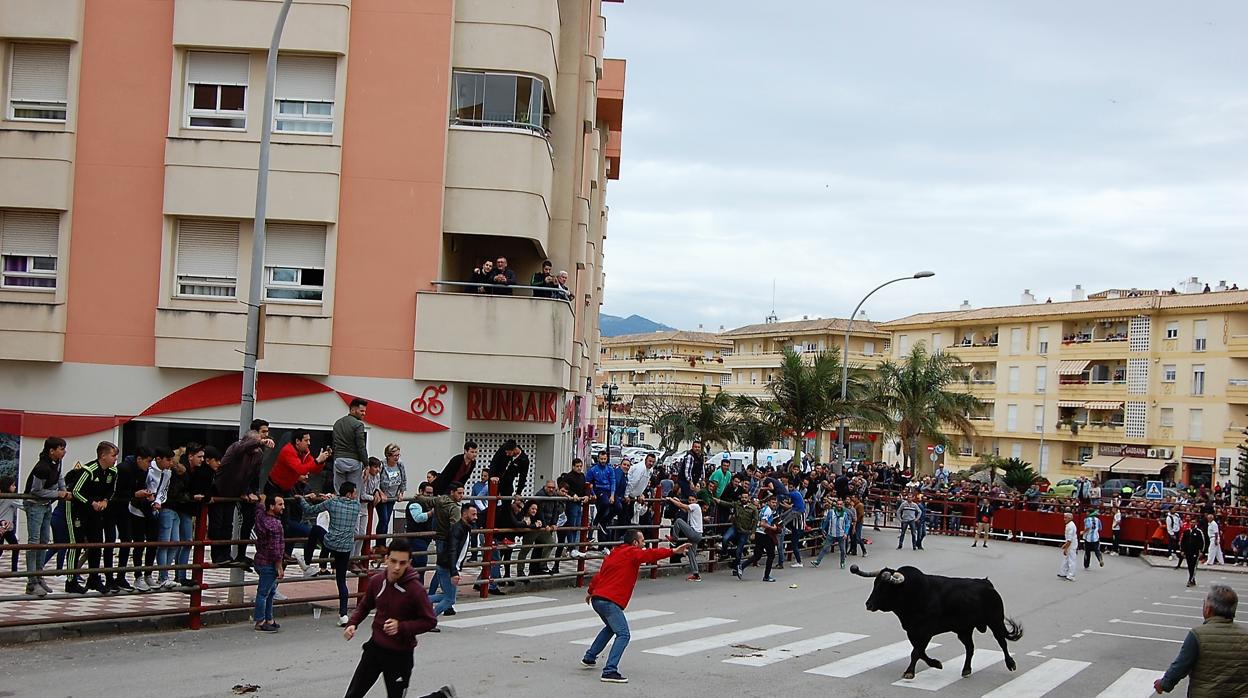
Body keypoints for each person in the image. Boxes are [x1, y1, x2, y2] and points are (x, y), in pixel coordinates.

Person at [343, 538, 454, 698]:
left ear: (409, 562)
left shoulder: (415, 590)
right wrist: (353, 624)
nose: (396, 567)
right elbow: (366, 605)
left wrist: (401, 627)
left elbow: (430, 621)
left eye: (402, 563)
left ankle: (441, 696)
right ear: (386, 559)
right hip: (374, 649)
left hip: (400, 655)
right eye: (393, 561)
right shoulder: (377, 581)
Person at [580, 529, 689, 684]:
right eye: (642, 541)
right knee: (623, 634)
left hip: (598, 599)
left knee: (611, 628)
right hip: (610, 600)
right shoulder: (632, 552)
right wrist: (673, 551)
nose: (644, 544)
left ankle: (590, 657)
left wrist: (591, 591)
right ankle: (610, 670)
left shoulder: (614, 553)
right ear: (635, 542)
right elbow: (650, 554)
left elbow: (600, 575)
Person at [1153, 584, 1248, 696]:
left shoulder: (1197, 635)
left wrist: (1164, 684)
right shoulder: (1245, 635)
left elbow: (1181, 666)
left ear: (1208, 610)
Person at [300, 482, 363, 625]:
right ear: (349, 494)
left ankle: (307, 561)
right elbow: (344, 501)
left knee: (316, 529)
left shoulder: (332, 503)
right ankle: (343, 615)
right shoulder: (356, 506)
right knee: (341, 580)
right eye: (354, 492)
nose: (355, 495)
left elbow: (310, 510)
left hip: (331, 542)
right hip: (346, 547)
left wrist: (301, 499)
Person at [216, 427, 274, 568]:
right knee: (218, 524)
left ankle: (230, 555)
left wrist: (250, 491)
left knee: (228, 524)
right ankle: (218, 555)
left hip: (238, 490)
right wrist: (259, 442)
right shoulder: (237, 448)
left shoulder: (257, 454)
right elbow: (245, 447)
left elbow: (253, 475)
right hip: (220, 488)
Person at [23, 436, 70, 597]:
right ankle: (31, 581)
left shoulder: (57, 463)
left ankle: (39, 575)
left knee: (44, 541)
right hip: (34, 504)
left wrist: (64, 490)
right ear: (52, 451)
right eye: (61, 449)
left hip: (46, 504)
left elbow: (60, 476)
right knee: (34, 542)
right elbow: (36, 490)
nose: (64, 452)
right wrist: (58, 493)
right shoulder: (41, 467)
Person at [429, 503, 476, 619]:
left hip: (448, 566)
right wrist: (454, 571)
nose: (476, 517)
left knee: (448, 597)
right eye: (473, 514)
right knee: (449, 599)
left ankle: (418, 600)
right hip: (447, 567)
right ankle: (430, 619)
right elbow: (452, 550)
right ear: (464, 514)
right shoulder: (458, 529)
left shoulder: (465, 527)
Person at [252, 495, 285, 632]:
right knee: (264, 593)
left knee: (270, 591)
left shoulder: (261, 518)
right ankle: (260, 620)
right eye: (280, 504)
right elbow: (276, 549)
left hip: (260, 558)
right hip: (269, 562)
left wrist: (261, 501)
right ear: (272, 506)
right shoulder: (275, 525)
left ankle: (268, 618)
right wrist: (279, 566)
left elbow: (259, 509)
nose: (283, 507)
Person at [333, 399, 370, 493]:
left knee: (339, 492)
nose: (364, 413)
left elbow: (334, 443)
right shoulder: (358, 425)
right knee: (354, 492)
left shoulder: (337, 423)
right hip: (354, 461)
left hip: (339, 460)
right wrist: (366, 464)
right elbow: (361, 446)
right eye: (362, 411)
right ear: (353, 410)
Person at [665, 494, 704, 581]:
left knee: (678, 521)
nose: (691, 502)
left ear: (696, 501)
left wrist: (671, 499)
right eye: (689, 500)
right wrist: (677, 500)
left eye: (693, 500)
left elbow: (682, 506)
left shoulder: (696, 506)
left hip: (694, 533)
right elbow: (683, 507)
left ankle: (674, 539)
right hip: (697, 535)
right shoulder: (692, 508)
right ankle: (696, 574)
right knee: (691, 553)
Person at [376, 444, 407, 551]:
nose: (397, 458)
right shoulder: (382, 465)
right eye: (394, 455)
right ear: (388, 456)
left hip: (393, 495)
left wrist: (401, 492)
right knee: (383, 519)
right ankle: (380, 544)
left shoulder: (400, 465)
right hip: (383, 495)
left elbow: (403, 479)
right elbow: (376, 481)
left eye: (398, 455)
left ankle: (382, 543)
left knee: (387, 519)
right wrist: (380, 493)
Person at [813, 498, 853, 569]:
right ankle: (817, 561)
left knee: (843, 550)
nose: (839, 506)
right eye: (838, 504)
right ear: (836, 505)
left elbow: (847, 524)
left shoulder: (845, 514)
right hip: (831, 534)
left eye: (840, 504)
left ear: (842, 505)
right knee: (825, 548)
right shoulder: (831, 512)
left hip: (841, 535)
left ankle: (842, 562)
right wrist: (823, 528)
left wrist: (846, 533)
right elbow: (826, 521)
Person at [1177, 518, 1205, 588]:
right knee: (1190, 566)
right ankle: (1192, 579)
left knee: (1193, 566)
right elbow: (1183, 542)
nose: (1192, 524)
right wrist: (1182, 550)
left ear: (1196, 523)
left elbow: (1202, 542)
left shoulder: (1199, 532)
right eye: (1191, 522)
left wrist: (1201, 551)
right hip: (1188, 551)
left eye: (1194, 522)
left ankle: (1190, 580)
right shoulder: (1186, 532)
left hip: (1195, 552)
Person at [0, 476, 19, 574]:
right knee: (15, 547)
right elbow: (22, 505)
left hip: (3, 525)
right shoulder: (11, 498)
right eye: (13, 485)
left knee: (1, 549)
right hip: (7, 527)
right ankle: (14, 570)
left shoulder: (2, 496)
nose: (15, 487)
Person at [1058, 512, 1077, 582]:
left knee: (1071, 560)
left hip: (1072, 545)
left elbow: (1070, 540)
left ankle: (1071, 575)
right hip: (1070, 544)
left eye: (1065, 517)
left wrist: (1066, 548)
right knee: (1066, 558)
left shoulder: (1070, 526)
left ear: (1070, 518)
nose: (1064, 519)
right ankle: (1063, 572)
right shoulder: (1069, 525)